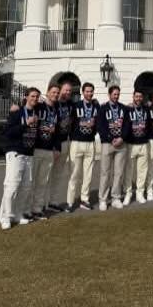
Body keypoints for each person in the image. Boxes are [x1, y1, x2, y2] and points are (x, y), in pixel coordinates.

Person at [0, 87, 41, 230]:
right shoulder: (17, 112)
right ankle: (6, 217)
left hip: (29, 153)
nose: (34, 99)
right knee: (12, 186)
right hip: (15, 153)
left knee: (26, 187)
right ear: (26, 97)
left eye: (37, 97)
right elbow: (7, 132)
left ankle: (18, 214)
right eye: (32, 96)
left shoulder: (36, 112)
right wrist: (25, 124)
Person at [65, 82, 100, 212]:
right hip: (76, 143)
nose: (89, 94)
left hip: (90, 143)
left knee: (88, 174)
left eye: (91, 91)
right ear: (82, 92)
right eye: (87, 91)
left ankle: (84, 199)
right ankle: (70, 202)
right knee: (74, 174)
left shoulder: (96, 107)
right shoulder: (75, 106)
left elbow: (99, 123)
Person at [31, 84, 60, 219]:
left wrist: (56, 147)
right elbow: (27, 106)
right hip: (36, 148)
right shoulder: (39, 106)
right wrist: (16, 107)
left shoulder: (55, 110)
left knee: (43, 182)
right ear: (47, 92)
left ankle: (37, 209)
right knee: (31, 181)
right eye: (53, 92)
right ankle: (26, 209)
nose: (55, 94)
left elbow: (57, 131)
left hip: (48, 149)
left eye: (57, 93)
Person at [97, 86, 129, 211]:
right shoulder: (103, 108)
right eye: (114, 94)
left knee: (119, 173)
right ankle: (103, 200)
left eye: (118, 94)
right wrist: (111, 139)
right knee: (105, 173)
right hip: (107, 144)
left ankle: (116, 198)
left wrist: (122, 138)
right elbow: (100, 126)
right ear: (109, 94)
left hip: (121, 144)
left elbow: (127, 125)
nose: (116, 96)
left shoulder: (123, 108)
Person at [47, 82, 74, 212]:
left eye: (69, 91)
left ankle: (53, 201)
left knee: (58, 175)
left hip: (65, 142)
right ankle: (39, 203)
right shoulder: (53, 105)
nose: (67, 93)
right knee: (46, 175)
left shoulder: (70, 105)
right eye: (65, 90)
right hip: (52, 144)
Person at [124, 90, 150, 205]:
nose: (138, 98)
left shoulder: (146, 109)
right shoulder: (127, 109)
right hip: (131, 144)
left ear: (142, 98)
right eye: (136, 96)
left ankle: (140, 193)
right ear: (133, 97)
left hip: (144, 143)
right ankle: (128, 193)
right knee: (129, 171)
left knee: (142, 171)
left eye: (140, 96)